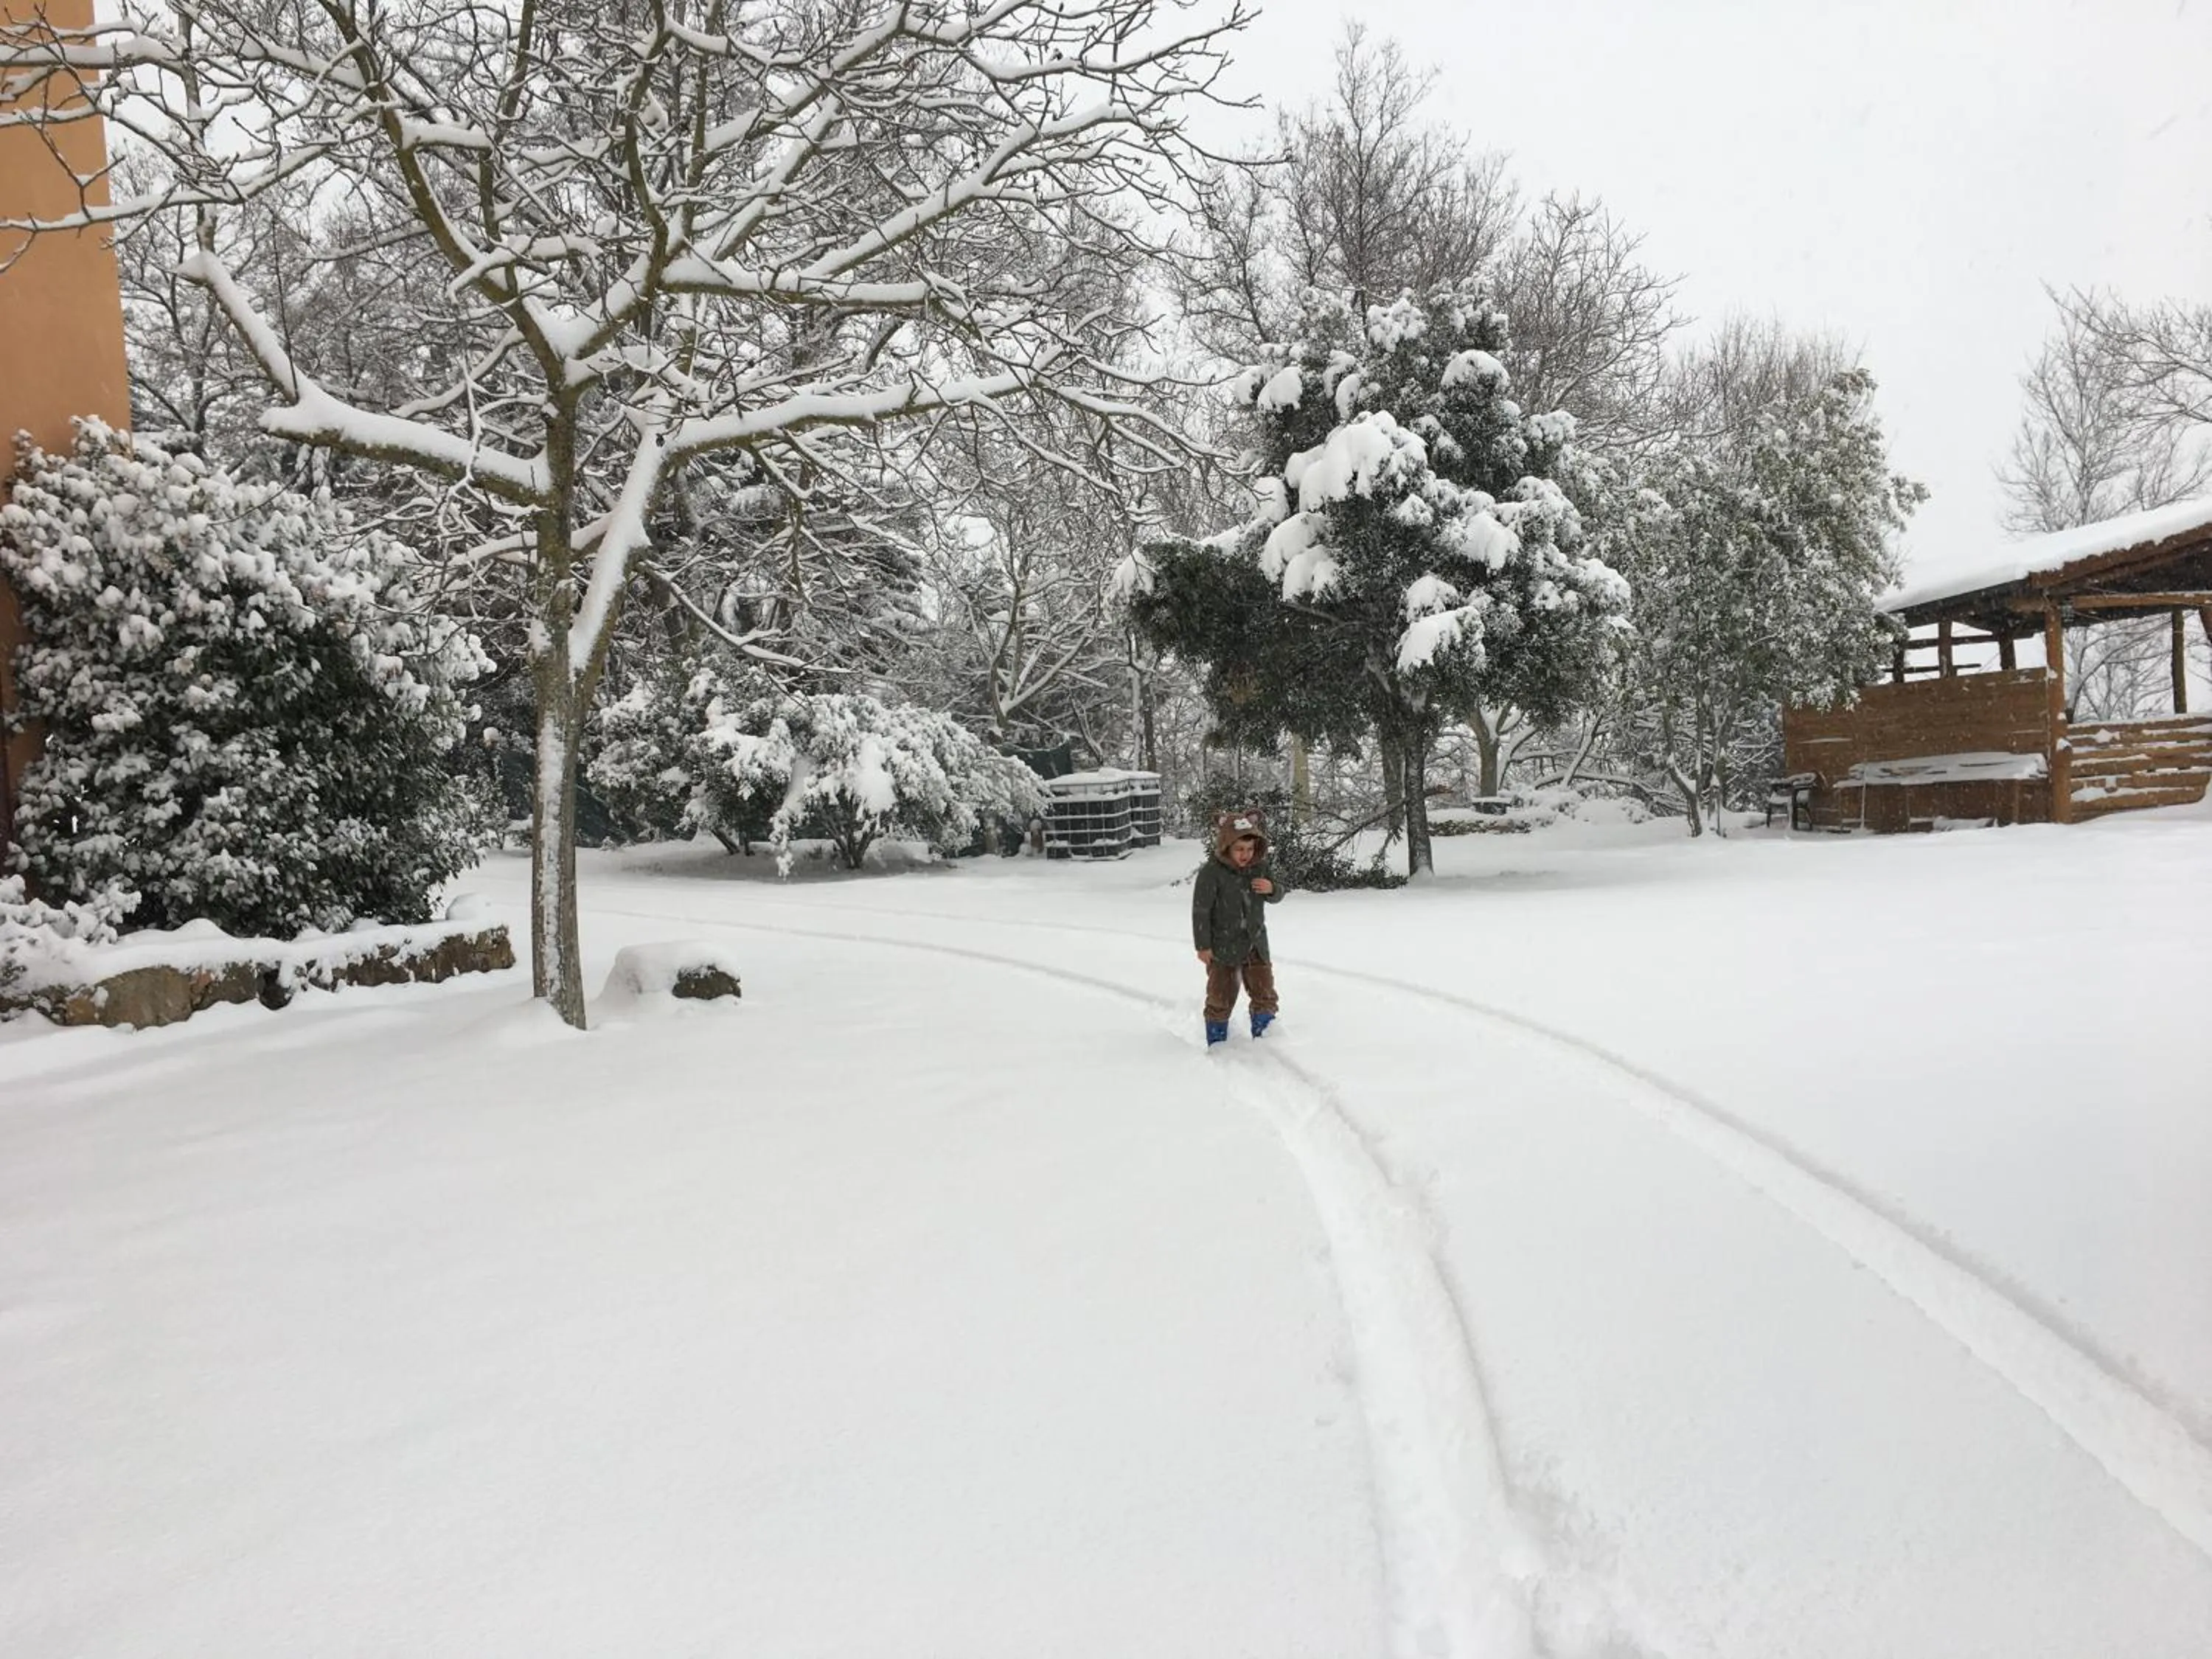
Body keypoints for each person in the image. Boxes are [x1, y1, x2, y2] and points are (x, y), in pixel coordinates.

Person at [1190, 808, 1285, 1047]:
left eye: (1250, 849)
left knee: (1265, 993)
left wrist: (1272, 889)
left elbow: (1277, 895)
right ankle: (1217, 1041)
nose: (1246, 855)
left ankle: (1265, 1040)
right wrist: (1203, 946)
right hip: (1223, 947)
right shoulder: (1211, 873)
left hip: (1255, 944)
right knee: (1220, 996)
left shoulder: (1260, 868)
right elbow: (1201, 911)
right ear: (1226, 847)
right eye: (1240, 849)